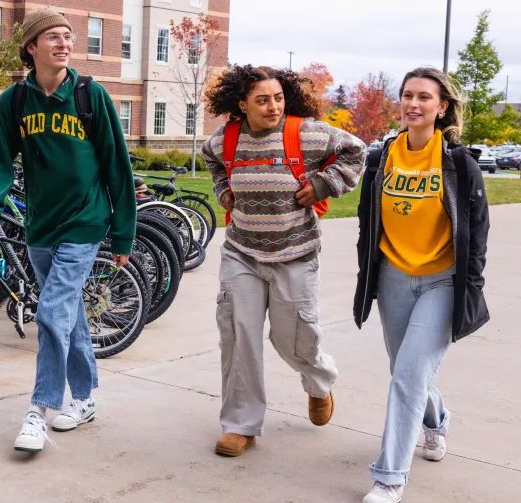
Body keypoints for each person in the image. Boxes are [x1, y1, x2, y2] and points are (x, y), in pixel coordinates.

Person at [0, 9, 136, 453]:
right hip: (40, 226)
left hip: (85, 221)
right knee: (70, 315)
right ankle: (83, 398)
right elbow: (2, 160)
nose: (64, 43)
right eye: (53, 37)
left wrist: (122, 231)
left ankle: (38, 411)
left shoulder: (91, 95)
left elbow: (116, 165)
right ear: (31, 47)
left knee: (50, 312)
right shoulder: (13, 102)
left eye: (68, 36)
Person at [201, 64, 366, 457]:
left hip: (296, 252)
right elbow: (212, 162)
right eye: (262, 100)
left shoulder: (305, 132)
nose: (273, 106)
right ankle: (241, 424)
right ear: (242, 104)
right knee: (238, 336)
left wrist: (324, 183)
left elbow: (355, 150)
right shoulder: (226, 138)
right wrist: (224, 189)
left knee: (295, 339)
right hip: (241, 251)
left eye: (277, 98)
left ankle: (318, 381)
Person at [354, 67, 490, 503]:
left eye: (424, 97)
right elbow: (366, 223)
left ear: (442, 107)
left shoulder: (459, 163)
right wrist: (368, 277)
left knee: (409, 376)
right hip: (393, 278)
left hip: (441, 280)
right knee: (405, 371)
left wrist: (469, 287)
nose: (414, 104)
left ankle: (389, 478)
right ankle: (435, 421)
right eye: (407, 95)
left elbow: (478, 233)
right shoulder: (381, 158)